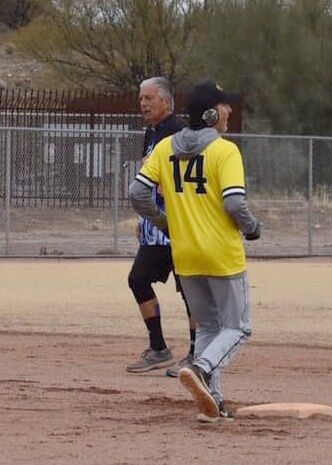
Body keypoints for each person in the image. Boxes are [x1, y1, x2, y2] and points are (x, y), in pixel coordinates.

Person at [130, 81, 260, 423]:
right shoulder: (224, 151)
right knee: (239, 327)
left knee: (207, 328)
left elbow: (137, 194)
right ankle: (201, 368)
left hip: (184, 254)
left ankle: (211, 404)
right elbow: (234, 202)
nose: (230, 111)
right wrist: (252, 227)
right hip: (221, 255)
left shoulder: (166, 147)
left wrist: (164, 223)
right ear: (211, 113)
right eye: (225, 106)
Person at [125, 76, 197, 377]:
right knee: (138, 279)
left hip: (180, 227)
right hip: (155, 228)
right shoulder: (152, 132)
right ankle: (159, 348)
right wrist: (144, 220)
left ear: (166, 101)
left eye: (149, 98)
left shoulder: (180, 133)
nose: (143, 103)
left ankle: (198, 353)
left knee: (192, 290)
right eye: (141, 98)